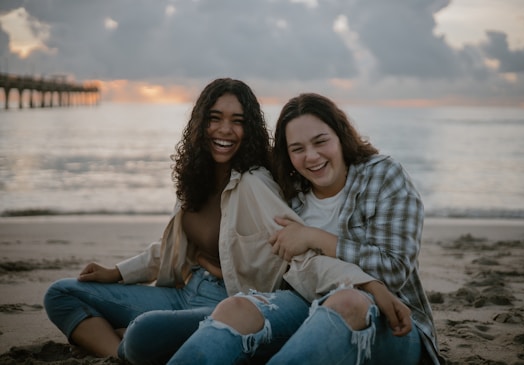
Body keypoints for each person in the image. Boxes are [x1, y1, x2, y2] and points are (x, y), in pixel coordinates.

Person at [168, 93, 444, 365]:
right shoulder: (292, 194)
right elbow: (284, 271)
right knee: (236, 308)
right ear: (287, 155)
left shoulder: (383, 176)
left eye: (320, 141)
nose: (312, 157)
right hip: (307, 309)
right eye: (297, 149)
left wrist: (315, 237)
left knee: (347, 300)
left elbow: (394, 270)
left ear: (340, 137)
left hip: (392, 325)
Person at [42, 78, 305, 360]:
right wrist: (117, 272)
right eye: (214, 118)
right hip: (183, 292)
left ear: (249, 128)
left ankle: (134, 343)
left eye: (237, 121)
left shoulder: (255, 183)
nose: (225, 130)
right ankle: (119, 355)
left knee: (144, 331)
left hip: (225, 304)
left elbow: (297, 244)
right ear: (200, 122)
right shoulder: (195, 176)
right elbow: (171, 248)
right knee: (60, 294)